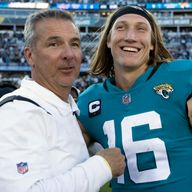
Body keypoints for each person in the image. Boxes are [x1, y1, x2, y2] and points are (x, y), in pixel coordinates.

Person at [0, 9, 126, 192]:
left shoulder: (65, 108)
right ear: (29, 55)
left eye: (74, 44)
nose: (69, 54)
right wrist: (103, 165)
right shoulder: (17, 113)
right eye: (54, 44)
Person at [77, 5, 192, 192]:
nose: (130, 36)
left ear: (153, 43)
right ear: (108, 40)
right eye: (121, 27)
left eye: (141, 28)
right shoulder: (89, 100)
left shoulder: (182, 77)